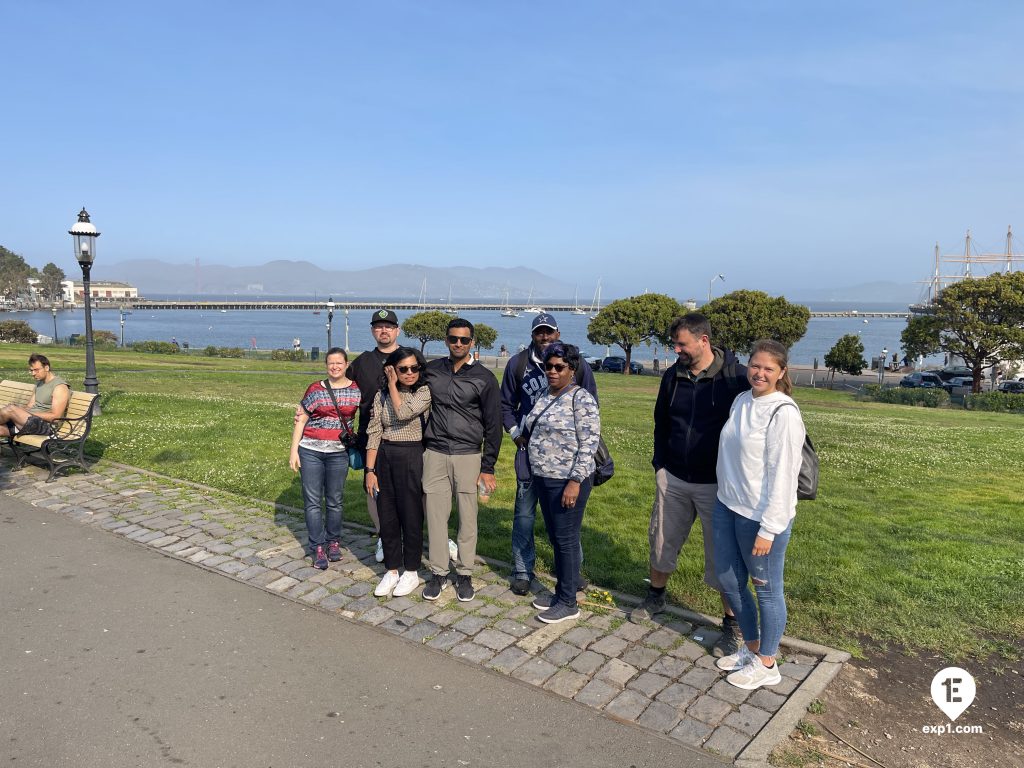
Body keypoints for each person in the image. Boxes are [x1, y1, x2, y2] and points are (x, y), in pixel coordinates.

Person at [629, 313, 750, 660]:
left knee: (723, 557)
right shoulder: (672, 376)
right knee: (662, 540)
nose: (676, 349)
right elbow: (661, 422)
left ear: (704, 341)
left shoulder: (735, 378)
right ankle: (655, 596)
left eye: (682, 344)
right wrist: (660, 466)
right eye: (675, 344)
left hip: (719, 486)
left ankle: (731, 625)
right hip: (675, 477)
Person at [713, 339, 806, 690]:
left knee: (767, 589)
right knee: (729, 580)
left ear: (781, 373)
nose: (760, 373)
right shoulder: (741, 401)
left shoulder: (783, 413)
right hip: (728, 505)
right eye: (755, 365)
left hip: (761, 517)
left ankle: (768, 662)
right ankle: (751, 648)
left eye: (769, 368)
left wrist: (770, 528)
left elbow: (784, 475)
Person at [500, 312, 597, 595]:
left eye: (549, 332)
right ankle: (522, 570)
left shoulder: (576, 364)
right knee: (524, 515)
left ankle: (571, 572)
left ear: (557, 333)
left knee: (564, 520)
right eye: (539, 332)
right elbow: (505, 404)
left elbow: (591, 404)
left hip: (565, 461)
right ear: (532, 335)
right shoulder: (518, 364)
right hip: (528, 454)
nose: (544, 337)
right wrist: (516, 434)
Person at [421, 318, 502, 602]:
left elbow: (494, 425)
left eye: (464, 340)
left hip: (469, 455)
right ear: (446, 340)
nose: (458, 344)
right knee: (436, 515)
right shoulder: (431, 371)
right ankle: (439, 572)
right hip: (435, 452)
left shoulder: (484, 378)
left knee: (468, 517)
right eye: (453, 339)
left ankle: (465, 573)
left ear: (472, 342)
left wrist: (488, 466)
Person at [524, 343, 600, 624]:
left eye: (559, 367)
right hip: (544, 477)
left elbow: (589, 443)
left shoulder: (582, 399)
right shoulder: (545, 393)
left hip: (568, 480)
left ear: (572, 369)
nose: (552, 372)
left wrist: (575, 481)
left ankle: (568, 602)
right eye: (548, 366)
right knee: (556, 538)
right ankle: (560, 593)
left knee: (566, 539)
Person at [364, 347, 431, 598]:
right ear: (391, 369)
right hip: (385, 455)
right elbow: (374, 432)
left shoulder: (423, 392)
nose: (410, 373)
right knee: (387, 513)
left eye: (415, 368)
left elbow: (403, 412)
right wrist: (370, 470)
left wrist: (393, 385)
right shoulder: (380, 397)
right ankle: (392, 569)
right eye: (403, 369)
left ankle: (411, 570)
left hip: (412, 454)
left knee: (411, 514)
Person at [336, 308, 401, 563]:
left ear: (397, 330)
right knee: (373, 488)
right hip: (370, 435)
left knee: (411, 488)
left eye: (388, 326)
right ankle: (383, 536)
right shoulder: (362, 362)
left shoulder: (409, 357)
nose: (383, 330)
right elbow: (342, 391)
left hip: (406, 436)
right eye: (378, 326)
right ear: (373, 331)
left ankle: (409, 533)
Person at [288, 348, 360, 570]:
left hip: (338, 452)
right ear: (326, 365)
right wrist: (293, 452)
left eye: (339, 363)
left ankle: (333, 541)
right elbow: (301, 419)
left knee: (335, 500)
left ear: (347, 364)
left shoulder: (357, 391)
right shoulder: (316, 389)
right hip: (310, 450)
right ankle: (317, 546)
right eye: (331, 363)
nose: (335, 367)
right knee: (312, 502)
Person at [0, 354, 70, 439]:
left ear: (46, 368)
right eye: (31, 370)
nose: (33, 373)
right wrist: (19, 410)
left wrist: (27, 413)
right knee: (11, 410)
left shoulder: (59, 387)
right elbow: (30, 406)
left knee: (10, 409)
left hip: (45, 426)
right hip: (28, 422)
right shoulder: (39, 383)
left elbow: (56, 417)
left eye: (36, 370)